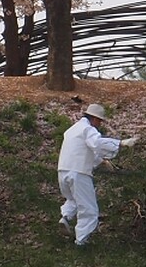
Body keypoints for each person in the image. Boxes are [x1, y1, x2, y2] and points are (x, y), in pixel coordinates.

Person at [57, 103, 138, 247]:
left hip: (63, 171)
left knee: (73, 199)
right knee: (89, 209)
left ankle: (66, 217)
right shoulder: (88, 129)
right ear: (94, 118)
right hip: (79, 173)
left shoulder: (72, 130)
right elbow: (97, 143)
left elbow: (83, 150)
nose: (99, 124)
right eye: (99, 121)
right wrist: (120, 143)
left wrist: (102, 162)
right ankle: (81, 242)